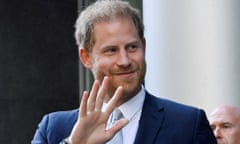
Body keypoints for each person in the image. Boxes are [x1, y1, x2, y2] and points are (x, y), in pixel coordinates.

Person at [32, 0, 217, 144]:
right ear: (86, 57)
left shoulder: (187, 124)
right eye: (111, 50)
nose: (124, 61)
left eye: (132, 47)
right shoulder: (54, 128)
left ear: (144, 47)